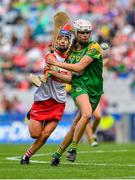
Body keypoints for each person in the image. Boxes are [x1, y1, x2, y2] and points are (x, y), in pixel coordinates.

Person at [46, 19, 104, 165]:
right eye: (82, 32)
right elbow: (72, 79)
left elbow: (79, 68)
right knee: (87, 114)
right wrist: (52, 73)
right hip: (79, 87)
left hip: (95, 90)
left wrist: (55, 64)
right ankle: (73, 149)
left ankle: (57, 154)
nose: (85, 35)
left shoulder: (94, 47)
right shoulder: (70, 53)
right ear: (76, 33)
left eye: (88, 32)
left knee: (76, 125)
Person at [20, 29, 72, 164]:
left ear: (69, 42)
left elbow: (71, 79)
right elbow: (49, 69)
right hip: (42, 100)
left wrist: (55, 73)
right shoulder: (50, 56)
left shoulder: (72, 60)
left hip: (59, 102)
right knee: (35, 134)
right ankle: (31, 113)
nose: (62, 41)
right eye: (60, 38)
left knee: (45, 135)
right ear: (55, 41)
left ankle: (26, 157)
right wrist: (48, 74)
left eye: (65, 39)